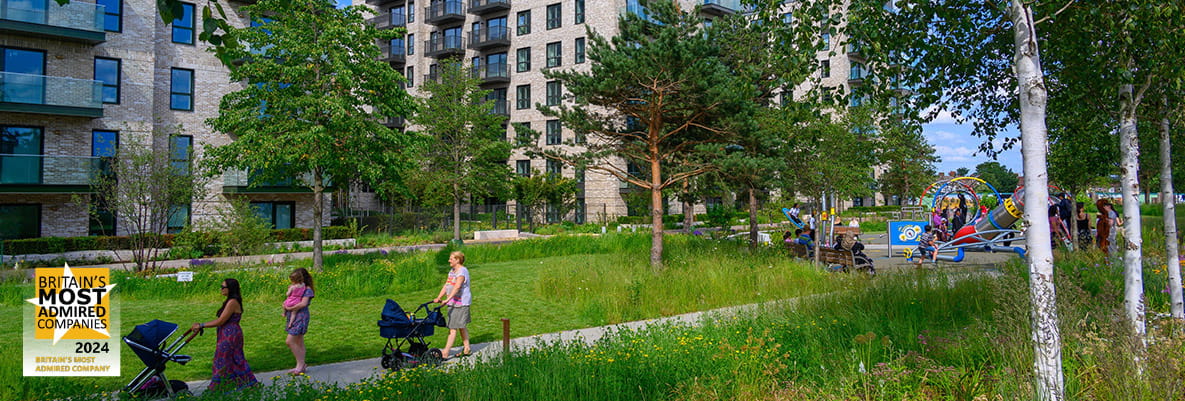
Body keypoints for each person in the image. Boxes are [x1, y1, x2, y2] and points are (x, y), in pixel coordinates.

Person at [191, 279, 258, 391]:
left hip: (230, 335)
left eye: (223, 287)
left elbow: (221, 321)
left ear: (230, 288)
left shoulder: (232, 302)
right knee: (234, 359)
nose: (221, 289)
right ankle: (246, 384)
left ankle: (217, 388)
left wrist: (201, 325)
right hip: (227, 333)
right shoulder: (230, 301)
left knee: (223, 359)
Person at [434, 251, 472, 360]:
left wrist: (447, 299)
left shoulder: (462, 271)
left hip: (461, 304)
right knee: (460, 326)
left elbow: (457, 287)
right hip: (453, 303)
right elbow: (447, 285)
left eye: (451, 259)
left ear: (457, 260)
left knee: (453, 327)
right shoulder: (452, 271)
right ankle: (467, 348)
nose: (449, 260)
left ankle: (445, 352)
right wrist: (439, 297)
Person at [282, 268, 314, 375]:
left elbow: (304, 304)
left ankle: (300, 364)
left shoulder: (307, 289)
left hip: (300, 316)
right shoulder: (297, 288)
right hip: (294, 315)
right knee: (299, 341)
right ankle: (300, 365)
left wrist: (290, 308)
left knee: (290, 341)